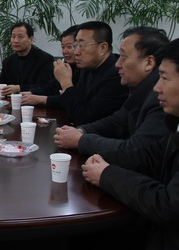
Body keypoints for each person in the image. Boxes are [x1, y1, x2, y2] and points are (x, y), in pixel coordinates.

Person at [81, 34, 179, 250]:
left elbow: (171, 204)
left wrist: (107, 174)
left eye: (165, 78)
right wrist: (104, 165)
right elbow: (151, 155)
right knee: (104, 244)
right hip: (170, 237)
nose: (157, 87)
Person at [54, 26, 170, 155]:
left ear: (149, 62)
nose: (117, 64)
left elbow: (138, 150)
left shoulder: (162, 98)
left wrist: (81, 140)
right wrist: (81, 131)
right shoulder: (140, 88)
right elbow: (117, 121)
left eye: (124, 57)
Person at [45, 21, 129, 126]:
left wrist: (66, 83)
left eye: (81, 45)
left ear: (102, 48)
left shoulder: (117, 75)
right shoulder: (88, 67)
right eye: (75, 45)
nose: (76, 52)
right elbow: (76, 103)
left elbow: (83, 118)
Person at [0, 22, 54, 96]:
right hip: (12, 103)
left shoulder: (45, 59)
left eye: (20, 37)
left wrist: (19, 88)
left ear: (31, 39)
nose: (15, 40)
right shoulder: (8, 61)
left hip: (36, 104)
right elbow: (2, 81)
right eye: (13, 36)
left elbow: (45, 87)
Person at [21, 25, 80, 104]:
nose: (65, 51)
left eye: (69, 47)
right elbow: (51, 87)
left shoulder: (87, 70)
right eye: (63, 47)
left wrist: (41, 99)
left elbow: (75, 100)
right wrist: (30, 93)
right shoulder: (66, 65)